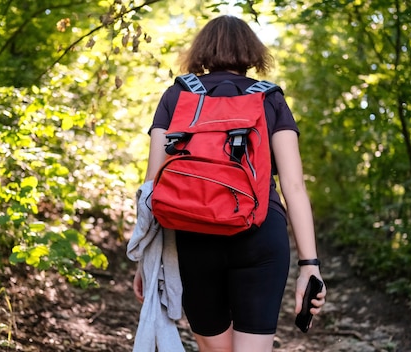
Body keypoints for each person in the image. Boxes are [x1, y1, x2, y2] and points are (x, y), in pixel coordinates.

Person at [133, 15, 326, 352]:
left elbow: (152, 185)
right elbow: (295, 188)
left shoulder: (176, 96)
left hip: (193, 237)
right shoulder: (271, 99)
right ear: (252, 53)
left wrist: (147, 261)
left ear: (201, 51)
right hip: (260, 236)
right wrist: (310, 265)